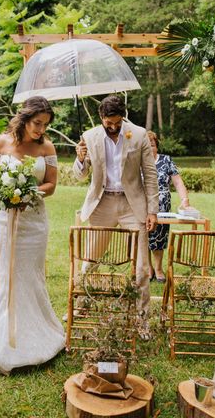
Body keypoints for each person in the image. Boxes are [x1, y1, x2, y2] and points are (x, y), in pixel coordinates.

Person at [0, 96, 65, 375]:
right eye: (37, 123)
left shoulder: (47, 147)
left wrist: (30, 193)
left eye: (45, 125)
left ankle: (36, 332)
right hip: (2, 219)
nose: (41, 130)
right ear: (24, 119)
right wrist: (3, 193)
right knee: (5, 272)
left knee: (30, 272)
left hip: (34, 221)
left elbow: (51, 184)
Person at [73, 95, 159, 340]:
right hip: (102, 203)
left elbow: (150, 175)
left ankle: (142, 321)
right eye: (107, 123)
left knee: (142, 266)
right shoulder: (89, 136)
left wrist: (152, 210)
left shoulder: (139, 135)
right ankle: (80, 305)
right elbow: (80, 176)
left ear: (123, 116)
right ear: (101, 118)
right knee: (90, 259)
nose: (112, 128)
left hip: (133, 205)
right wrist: (80, 159)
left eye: (116, 123)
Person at [146, 131, 193, 282]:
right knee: (144, 238)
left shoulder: (166, 160)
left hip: (162, 206)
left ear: (157, 146)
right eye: (146, 145)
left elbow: (178, 182)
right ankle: (148, 268)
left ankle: (158, 269)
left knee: (159, 238)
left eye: (152, 145)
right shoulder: (139, 161)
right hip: (143, 205)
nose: (149, 148)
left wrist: (185, 199)